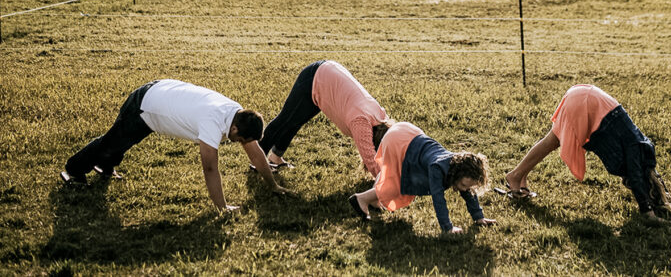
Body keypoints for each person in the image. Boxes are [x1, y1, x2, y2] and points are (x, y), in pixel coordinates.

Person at [62, 79, 286, 211]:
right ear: (235, 130)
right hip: (144, 105)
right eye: (241, 141)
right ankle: (72, 170)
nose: (241, 145)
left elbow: (256, 154)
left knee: (124, 141)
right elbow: (209, 168)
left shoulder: (238, 114)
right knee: (111, 143)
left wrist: (273, 185)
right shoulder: (213, 121)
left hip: (160, 96)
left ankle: (105, 167)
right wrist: (221, 208)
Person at [504, 84, 671, 223]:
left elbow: (651, 175)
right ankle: (516, 175)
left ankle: (518, 176)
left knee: (551, 141)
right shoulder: (638, 153)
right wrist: (647, 211)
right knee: (553, 141)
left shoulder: (645, 153)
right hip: (587, 104)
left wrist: (667, 197)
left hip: (588, 97)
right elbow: (636, 176)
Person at [348, 121, 496, 234]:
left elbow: (468, 192)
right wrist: (448, 227)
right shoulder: (438, 168)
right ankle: (361, 199)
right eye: (463, 185)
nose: (463, 190)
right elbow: (438, 199)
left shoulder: (457, 168)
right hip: (399, 141)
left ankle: (374, 198)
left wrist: (479, 217)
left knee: (395, 178)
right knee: (397, 186)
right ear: (458, 174)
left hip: (409, 133)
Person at [259, 60, 391, 176]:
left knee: (296, 120)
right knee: (285, 119)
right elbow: (370, 160)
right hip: (315, 76)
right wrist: (389, 182)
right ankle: (257, 161)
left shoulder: (381, 117)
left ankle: (275, 157)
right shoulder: (361, 123)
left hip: (328, 77)